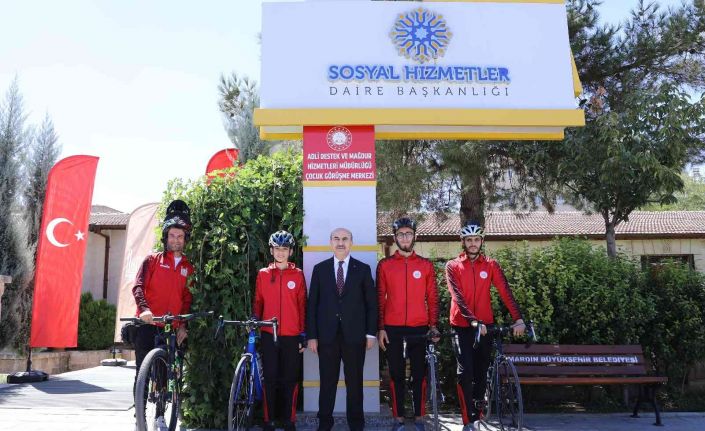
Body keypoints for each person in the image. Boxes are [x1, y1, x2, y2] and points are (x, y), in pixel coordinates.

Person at [445, 220, 525, 431]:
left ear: (481, 241)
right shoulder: (452, 266)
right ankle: (466, 421)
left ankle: (477, 414)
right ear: (463, 242)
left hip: (485, 326)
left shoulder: (491, 265)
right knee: (466, 372)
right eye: (469, 240)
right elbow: (457, 297)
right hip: (461, 326)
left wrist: (519, 318)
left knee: (481, 372)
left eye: (476, 239)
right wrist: (472, 320)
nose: (473, 243)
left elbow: (505, 292)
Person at [306, 227, 377, 431]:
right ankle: (324, 425)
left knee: (355, 384)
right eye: (336, 238)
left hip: (355, 337)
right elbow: (312, 305)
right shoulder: (320, 270)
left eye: (345, 239)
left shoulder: (362, 270)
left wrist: (370, 333)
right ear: (330, 242)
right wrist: (312, 336)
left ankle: (356, 425)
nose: (340, 242)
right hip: (326, 337)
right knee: (327, 383)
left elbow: (371, 305)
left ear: (351, 243)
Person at [131, 200, 194, 430]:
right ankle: (140, 416)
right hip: (149, 322)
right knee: (143, 374)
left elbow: (187, 299)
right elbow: (138, 287)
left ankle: (160, 415)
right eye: (172, 236)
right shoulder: (152, 261)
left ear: (184, 239)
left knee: (166, 375)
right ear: (166, 237)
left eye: (179, 236)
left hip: (172, 326)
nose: (175, 240)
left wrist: (183, 326)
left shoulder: (189, 267)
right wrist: (144, 309)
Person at [377, 217, 439, 431]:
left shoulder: (425, 265)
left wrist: (433, 325)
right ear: (395, 238)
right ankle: (399, 419)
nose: (405, 238)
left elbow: (432, 298)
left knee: (419, 375)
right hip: (393, 329)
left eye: (408, 233)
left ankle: (420, 418)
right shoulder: (384, 265)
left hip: (419, 328)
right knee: (396, 375)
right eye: (401, 234)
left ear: (415, 236)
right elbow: (379, 298)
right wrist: (381, 328)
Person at [253, 230, 307, 431]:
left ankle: (289, 420)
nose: (281, 253)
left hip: (292, 336)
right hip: (269, 334)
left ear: (291, 251)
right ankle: (269, 420)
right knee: (271, 378)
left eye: (285, 249)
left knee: (290, 379)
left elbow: (302, 306)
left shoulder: (298, 275)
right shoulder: (263, 275)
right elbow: (258, 302)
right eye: (277, 249)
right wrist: (255, 320)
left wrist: (303, 334)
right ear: (271, 250)